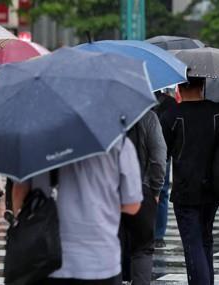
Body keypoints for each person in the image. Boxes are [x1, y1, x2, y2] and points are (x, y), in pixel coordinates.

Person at [12, 138, 142, 285]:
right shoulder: (120, 143)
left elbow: (19, 193)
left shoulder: (35, 141)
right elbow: (133, 205)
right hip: (100, 260)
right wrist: (103, 205)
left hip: (44, 258)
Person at [160, 77, 219, 285]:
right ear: (203, 84)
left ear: (179, 86)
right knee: (206, 240)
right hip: (214, 185)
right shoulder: (218, 111)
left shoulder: (172, 114)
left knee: (193, 243)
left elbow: (163, 151)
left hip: (185, 188)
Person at [121, 110, 167, 285]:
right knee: (142, 249)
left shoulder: (102, 115)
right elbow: (159, 158)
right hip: (142, 190)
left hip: (110, 192)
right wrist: (154, 190)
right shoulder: (148, 116)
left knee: (113, 248)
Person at [152, 90, 177, 249]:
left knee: (159, 192)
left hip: (159, 153)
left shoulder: (167, 103)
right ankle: (158, 234)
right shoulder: (170, 103)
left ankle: (156, 233)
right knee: (162, 193)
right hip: (163, 153)